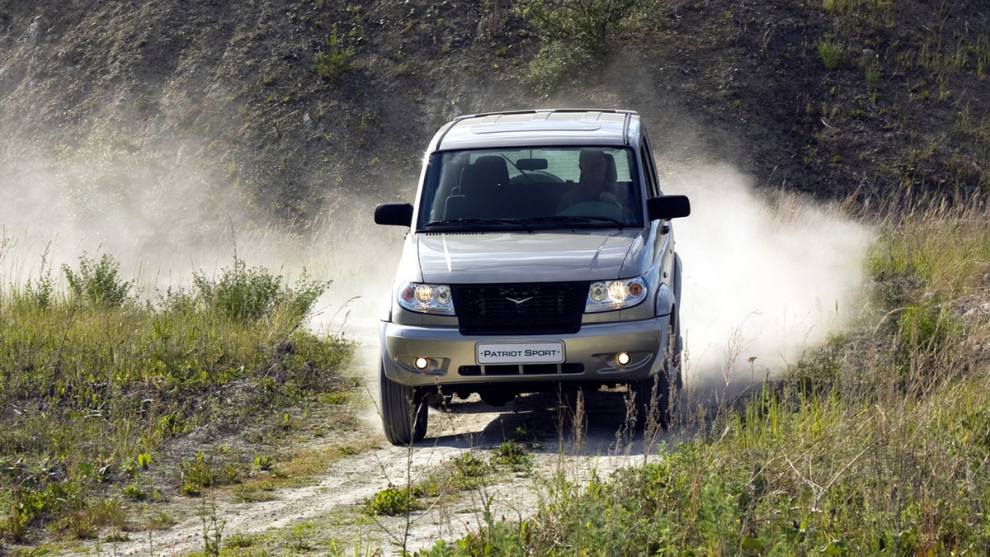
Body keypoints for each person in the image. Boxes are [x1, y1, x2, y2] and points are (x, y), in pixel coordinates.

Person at [557, 149, 630, 214]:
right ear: (581, 168)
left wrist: (616, 205)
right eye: (590, 165)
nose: (595, 170)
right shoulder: (568, 199)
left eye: (598, 165)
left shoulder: (622, 192)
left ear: (606, 166)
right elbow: (559, 224)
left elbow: (634, 218)